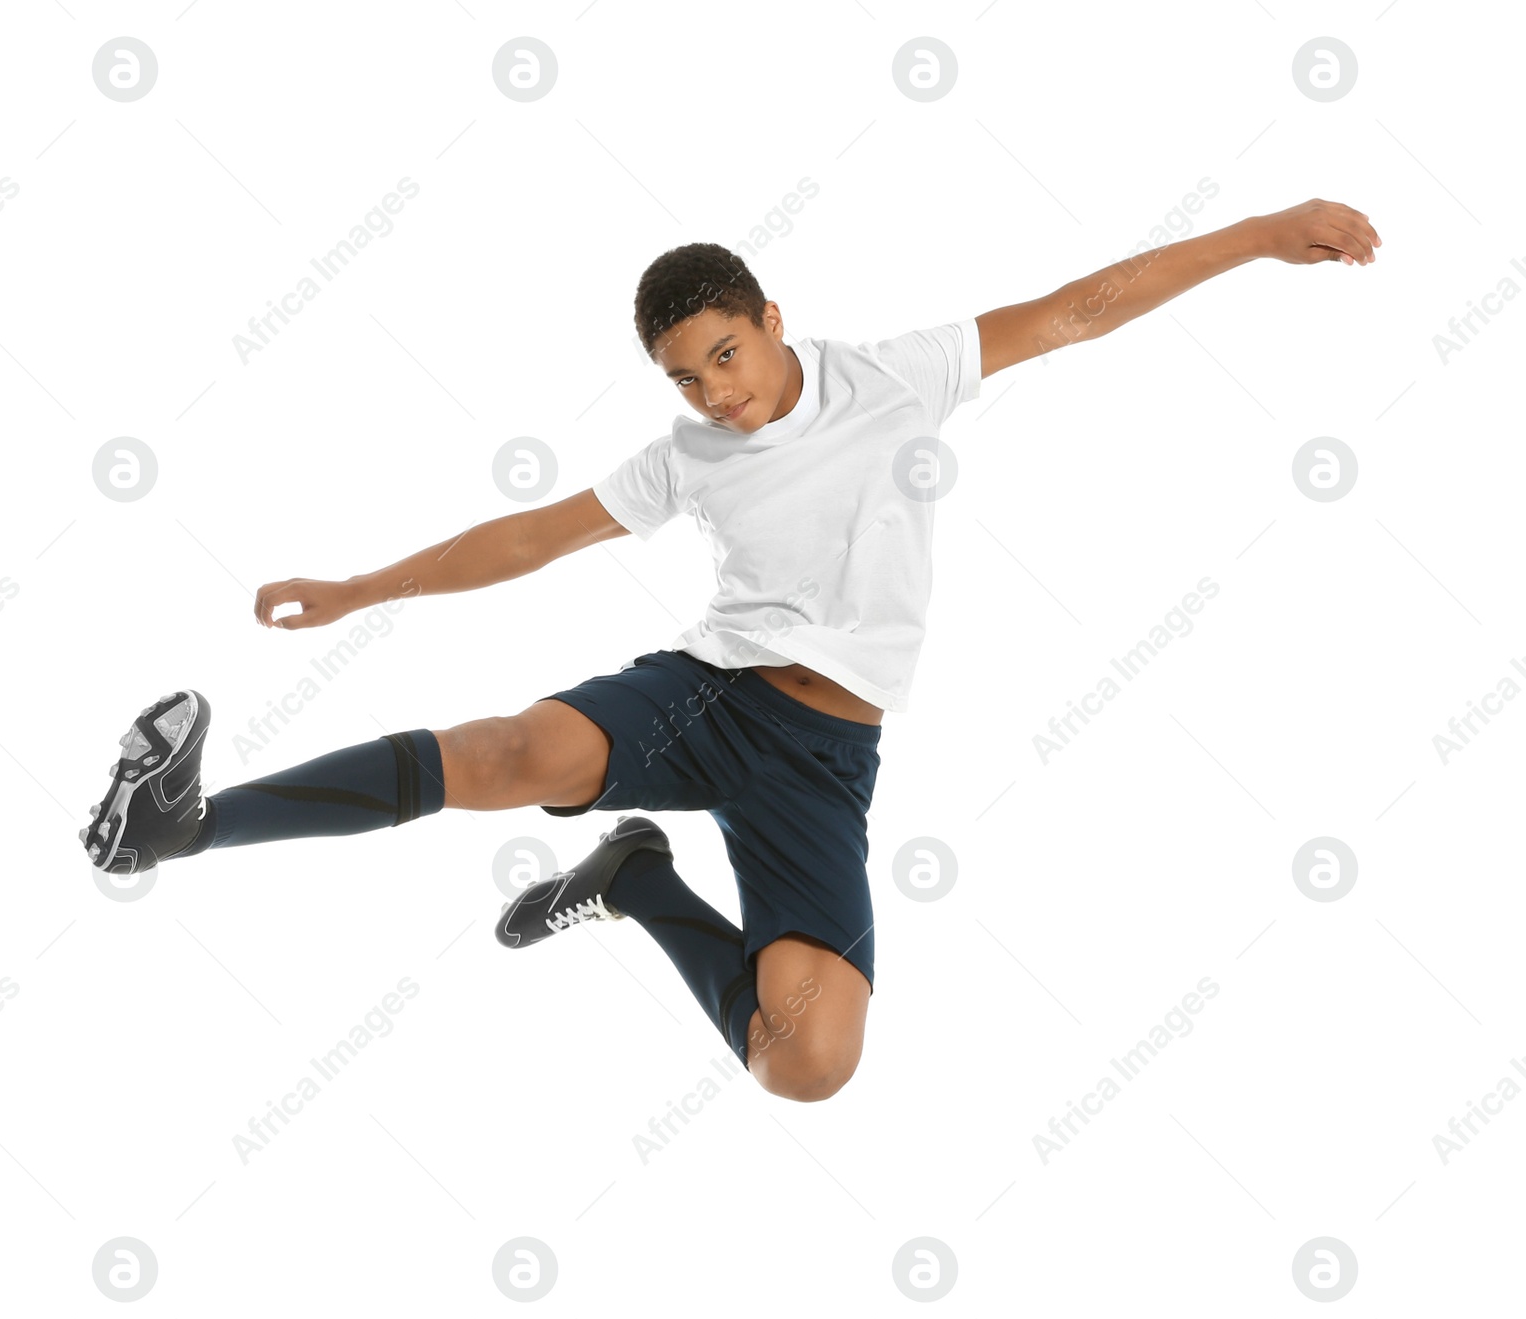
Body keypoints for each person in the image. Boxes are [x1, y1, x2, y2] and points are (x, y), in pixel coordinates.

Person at [79, 201, 1381, 1102]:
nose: (719, 396)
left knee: (805, 1066)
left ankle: (638, 882)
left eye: (726, 356)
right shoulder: (690, 454)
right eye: (687, 379)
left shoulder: (898, 377)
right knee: (517, 752)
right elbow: (537, 537)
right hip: (708, 699)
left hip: (827, 762)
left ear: (769, 316)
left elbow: (1082, 309)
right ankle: (181, 827)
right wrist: (365, 586)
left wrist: (1265, 237)